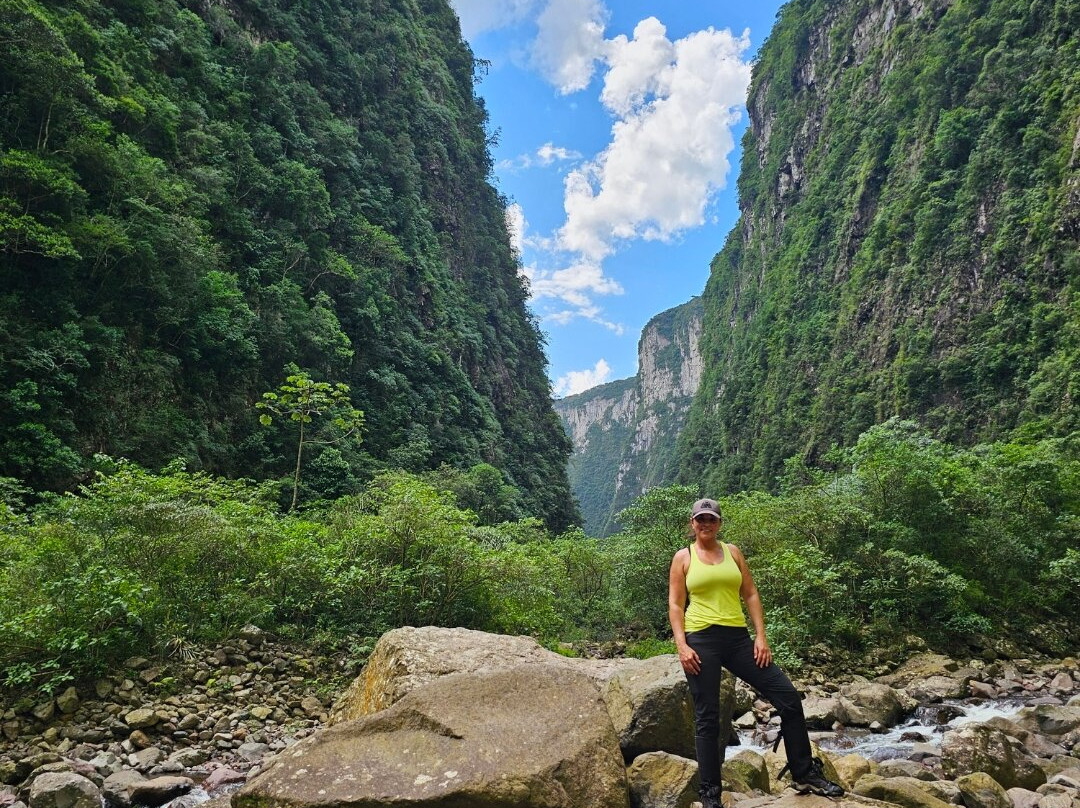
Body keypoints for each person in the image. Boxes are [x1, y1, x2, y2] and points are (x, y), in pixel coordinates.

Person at [668, 498, 844, 807]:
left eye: (711, 519)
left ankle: (804, 772)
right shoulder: (683, 558)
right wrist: (682, 644)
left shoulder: (732, 552)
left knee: (788, 697)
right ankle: (710, 794)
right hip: (700, 641)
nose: (706, 524)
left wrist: (761, 637)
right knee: (707, 716)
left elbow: (749, 592)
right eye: (700, 519)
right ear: (691, 524)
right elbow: (675, 604)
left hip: (738, 639)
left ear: (719, 523)